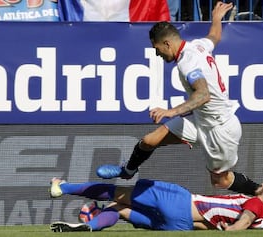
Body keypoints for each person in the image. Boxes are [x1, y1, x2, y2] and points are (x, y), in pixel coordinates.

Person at [97, 2, 242, 190]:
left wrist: (171, 111)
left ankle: (262, 195)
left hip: (219, 128)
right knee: (150, 141)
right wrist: (216, 18)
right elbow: (214, 36)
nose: (157, 54)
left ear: (166, 43)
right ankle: (128, 171)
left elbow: (203, 94)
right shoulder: (197, 46)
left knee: (220, 181)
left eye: (157, 48)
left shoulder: (187, 62)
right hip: (200, 121)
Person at [48, 173, 263, 232]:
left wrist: (232, 231)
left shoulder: (256, 207)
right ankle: (88, 228)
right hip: (182, 225)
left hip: (182, 203)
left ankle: (62, 188)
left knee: (115, 193)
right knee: (121, 211)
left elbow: (244, 221)